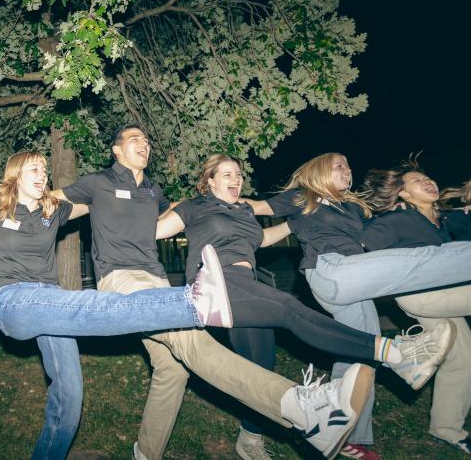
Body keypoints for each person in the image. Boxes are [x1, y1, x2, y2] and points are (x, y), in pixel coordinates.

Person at [0, 150, 403, 460]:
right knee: (96, 309)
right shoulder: (56, 195)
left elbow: (116, 211)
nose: (43, 174)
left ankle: (292, 409)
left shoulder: (73, 206)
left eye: (45, 168)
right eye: (34, 168)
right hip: (43, 294)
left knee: (156, 372)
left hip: (136, 285)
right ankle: (201, 306)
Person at [155, 154, 457, 459]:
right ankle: (394, 354)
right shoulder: (194, 206)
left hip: (244, 289)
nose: (236, 180)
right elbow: (156, 230)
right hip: (216, 283)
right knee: (289, 308)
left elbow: (263, 239)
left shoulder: (243, 216)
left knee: (259, 367)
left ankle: (251, 438)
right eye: (227, 175)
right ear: (209, 181)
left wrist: (295, 221)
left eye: (239, 175)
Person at [246, 152, 470, 459]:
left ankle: (346, 434)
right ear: (320, 170)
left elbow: (289, 231)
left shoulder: (350, 207)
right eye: (339, 164)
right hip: (332, 271)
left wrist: (401, 209)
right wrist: (219, 214)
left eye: (349, 165)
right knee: (428, 258)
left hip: (356, 282)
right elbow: (256, 210)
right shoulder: (304, 196)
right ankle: (404, 359)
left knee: (362, 354)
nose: (347, 169)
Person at [362, 163, 471, 455]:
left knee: (463, 359)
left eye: (428, 177)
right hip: (420, 297)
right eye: (418, 180)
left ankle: (446, 428)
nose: (428, 181)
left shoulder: (444, 220)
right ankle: (407, 350)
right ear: (404, 195)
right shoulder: (398, 219)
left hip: (449, 294)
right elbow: (362, 245)